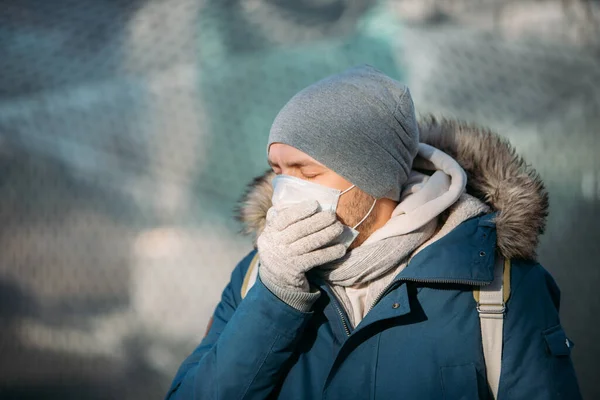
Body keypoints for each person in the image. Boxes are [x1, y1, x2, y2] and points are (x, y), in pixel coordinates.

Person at [165, 65, 581, 399]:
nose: (284, 192)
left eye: (306, 171)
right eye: (278, 172)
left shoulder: (495, 286)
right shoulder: (257, 274)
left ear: (375, 177)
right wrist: (277, 296)